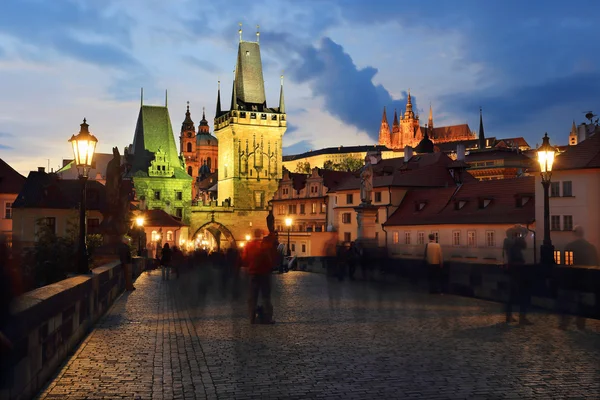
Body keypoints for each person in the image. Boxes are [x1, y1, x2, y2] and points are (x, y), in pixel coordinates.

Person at [558, 225, 599, 330]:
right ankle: (581, 324)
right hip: (586, 280)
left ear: (574, 233)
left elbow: (567, 264)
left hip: (572, 279)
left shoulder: (570, 246)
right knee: (583, 304)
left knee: (567, 302)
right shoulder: (591, 247)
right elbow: (596, 263)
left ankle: (564, 324)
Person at [243, 229, 276, 324]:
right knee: (266, 296)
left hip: (253, 273)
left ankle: (252, 317)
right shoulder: (264, 246)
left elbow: (244, 258)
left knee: (253, 296)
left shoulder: (248, 245)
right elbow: (269, 259)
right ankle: (268, 317)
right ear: (261, 235)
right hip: (264, 273)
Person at [502, 226, 531, 325]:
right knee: (522, 294)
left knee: (512, 295)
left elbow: (523, 245)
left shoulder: (509, 242)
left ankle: (509, 316)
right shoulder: (510, 242)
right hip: (517, 270)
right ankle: (521, 317)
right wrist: (522, 235)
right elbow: (523, 245)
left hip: (513, 270)